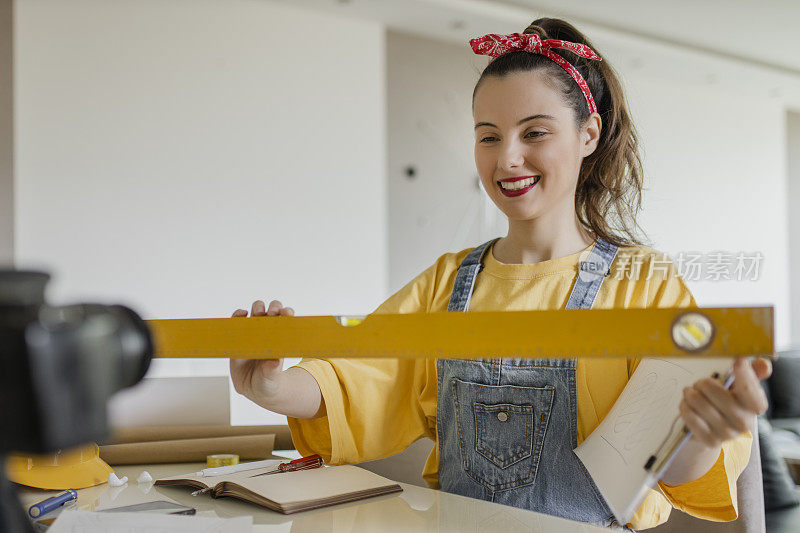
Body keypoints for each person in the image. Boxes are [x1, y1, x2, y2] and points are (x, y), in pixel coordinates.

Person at [229, 18, 771, 529]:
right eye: (488, 136)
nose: (507, 158)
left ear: (589, 134)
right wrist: (273, 386)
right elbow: (360, 378)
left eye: (534, 132)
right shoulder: (447, 283)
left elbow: (670, 465)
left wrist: (702, 432)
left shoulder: (642, 285)